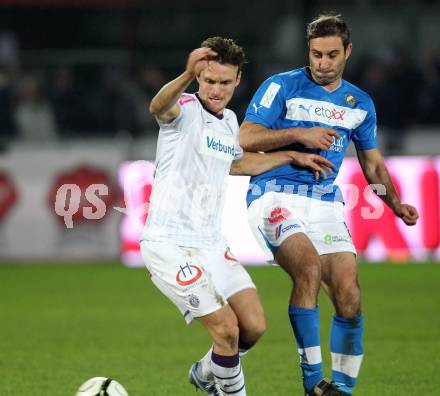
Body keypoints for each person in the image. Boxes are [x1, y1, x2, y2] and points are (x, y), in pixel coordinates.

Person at [140, 36, 334, 396]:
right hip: (169, 245)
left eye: (224, 82)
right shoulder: (182, 109)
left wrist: (292, 156)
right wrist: (186, 72)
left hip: (211, 244)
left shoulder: (230, 121)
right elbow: (157, 106)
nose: (216, 90)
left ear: (237, 81)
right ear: (200, 77)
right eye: (209, 81)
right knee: (227, 330)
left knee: (254, 326)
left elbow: (239, 162)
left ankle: (205, 371)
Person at [239, 14, 419, 396]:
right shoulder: (281, 86)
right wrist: (299, 136)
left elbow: (372, 163)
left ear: (347, 52)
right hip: (273, 193)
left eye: (331, 54)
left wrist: (395, 205)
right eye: (316, 54)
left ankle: (342, 390)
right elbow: (246, 136)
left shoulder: (359, 103)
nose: (322, 62)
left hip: (323, 203)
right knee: (306, 267)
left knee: (349, 297)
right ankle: (313, 384)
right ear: (309, 50)